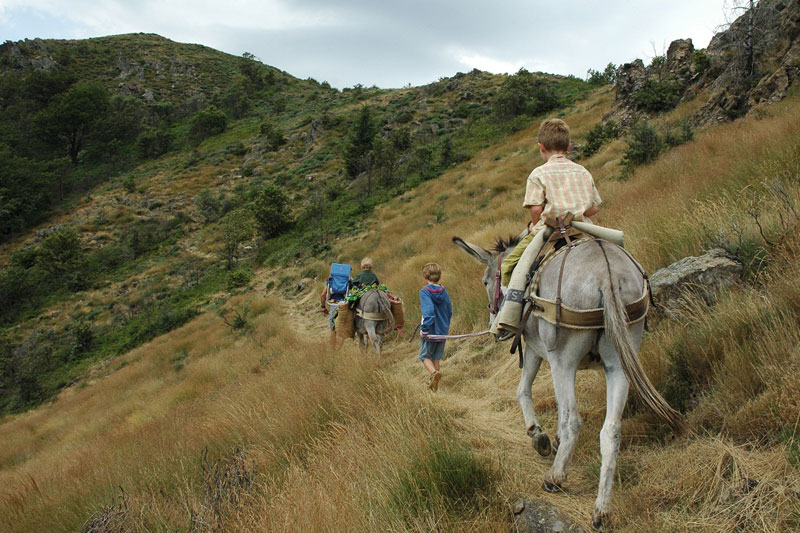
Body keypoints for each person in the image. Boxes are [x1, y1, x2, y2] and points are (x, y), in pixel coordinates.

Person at [491, 118, 602, 336]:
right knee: (615, 246)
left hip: (551, 230)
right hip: (584, 229)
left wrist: (535, 225)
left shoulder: (538, 173)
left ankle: (509, 317)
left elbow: (535, 209)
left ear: (541, 147)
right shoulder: (583, 172)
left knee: (510, 265)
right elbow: (594, 209)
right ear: (569, 147)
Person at [418, 262, 452, 392]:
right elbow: (449, 311)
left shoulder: (424, 292)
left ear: (425, 276)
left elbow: (429, 312)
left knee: (424, 356)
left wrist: (425, 329)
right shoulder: (444, 291)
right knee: (436, 357)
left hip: (430, 330)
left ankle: (433, 373)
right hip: (442, 330)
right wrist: (445, 326)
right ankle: (436, 387)